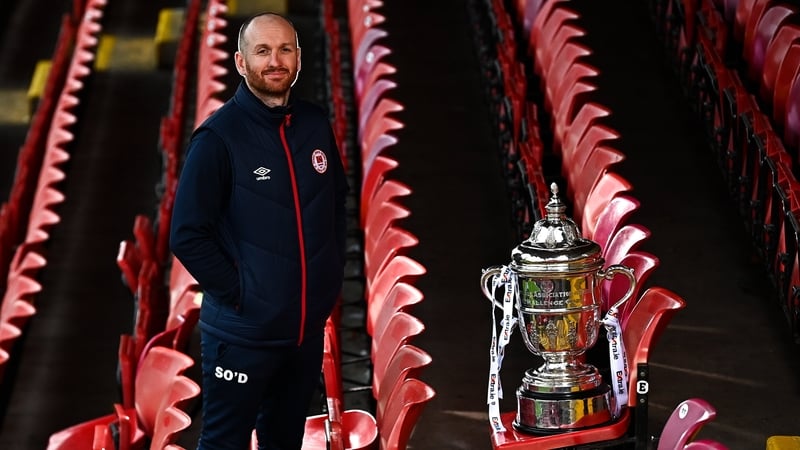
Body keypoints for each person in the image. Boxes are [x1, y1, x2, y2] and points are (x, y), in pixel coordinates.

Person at [169, 12, 348, 450]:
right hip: (242, 336)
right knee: (224, 443)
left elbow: (335, 207)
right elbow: (187, 235)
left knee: (284, 440)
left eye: (284, 49)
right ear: (240, 62)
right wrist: (245, 295)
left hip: (303, 333)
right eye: (262, 51)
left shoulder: (314, 124)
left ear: (299, 58)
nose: (275, 60)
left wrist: (325, 285)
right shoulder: (217, 138)